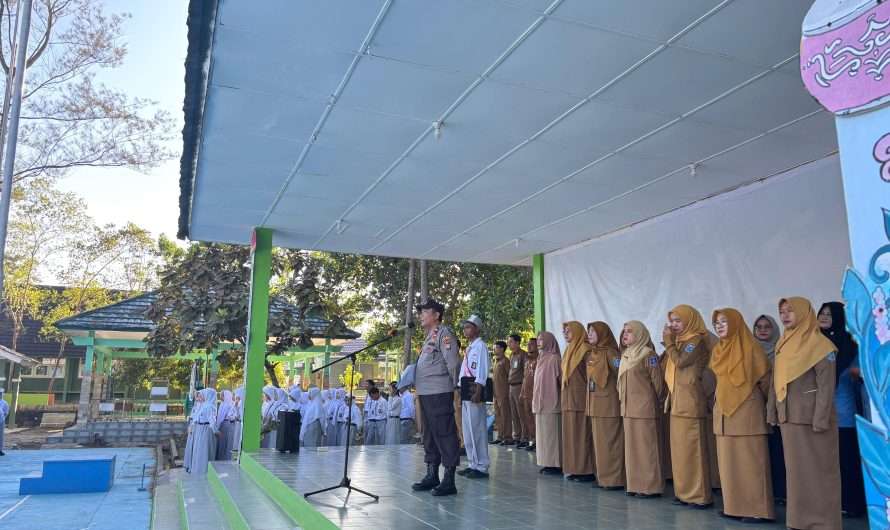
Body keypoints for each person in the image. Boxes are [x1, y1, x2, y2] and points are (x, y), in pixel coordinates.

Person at [767, 297, 842, 530]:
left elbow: (827, 386)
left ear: (804, 312)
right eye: (782, 311)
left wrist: (820, 419)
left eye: (791, 310)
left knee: (819, 471)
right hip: (789, 417)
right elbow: (775, 379)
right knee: (797, 473)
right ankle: (799, 520)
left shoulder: (821, 346)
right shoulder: (784, 343)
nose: (785, 315)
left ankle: (823, 522)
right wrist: (772, 411)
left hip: (812, 419)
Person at [710, 309, 775, 523]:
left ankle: (758, 509)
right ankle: (734, 507)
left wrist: (766, 410)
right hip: (724, 415)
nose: (719, 325)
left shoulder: (752, 349)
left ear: (736, 323)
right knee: (729, 464)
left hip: (747, 413)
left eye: (724, 321)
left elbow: (767, 384)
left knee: (751, 464)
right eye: (717, 322)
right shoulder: (719, 350)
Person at [818, 301, 867, 518]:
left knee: (846, 462)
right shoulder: (813, 343)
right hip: (818, 414)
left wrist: (859, 372)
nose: (825, 316)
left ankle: (851, 504)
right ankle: (827, 503)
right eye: (822, 313)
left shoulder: (851, 346)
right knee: (823, 462)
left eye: (830, 314)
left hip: (843, 414)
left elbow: (862, 374)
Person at [663, 305, 713, 509]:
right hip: (677, 400)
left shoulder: (696, 340)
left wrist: (667, 342)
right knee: (680, 451)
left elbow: (681, 361)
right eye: (672, 321)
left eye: (678, 321)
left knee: (695, 450)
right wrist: (671, 342)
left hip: (691, 401)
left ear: (689, 320)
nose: (674, 325)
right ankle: (684, 493)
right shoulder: (680, 341)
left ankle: (700, 496)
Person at [410, 298, 461, 497]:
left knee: (445, 433)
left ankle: (449, 479)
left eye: (425, 311)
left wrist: (455, 389)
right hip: (425, 394)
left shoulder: (444, 335)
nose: (421, 315)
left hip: (439, 393)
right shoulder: (428, 338)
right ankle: (432, 474)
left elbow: (453, 365)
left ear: (436, 315)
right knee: (429, 435)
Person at [619, 321, 666, 498]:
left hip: (644, 409)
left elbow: (658, 384)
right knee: (633, 449)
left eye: (630, 332)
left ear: (639, 334)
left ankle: (650, 487)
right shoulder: (626, 354)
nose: (625, 335)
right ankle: (635, 485)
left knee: (647, 449)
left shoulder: (648, 354)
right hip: (628, 407)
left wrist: (655, 402)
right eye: (624, 331)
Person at [586, 321, 625, 491]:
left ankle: (613, 480)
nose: (589, 334)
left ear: (602, 333)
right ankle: (603, 477)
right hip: (595, 404)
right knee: (600, 445)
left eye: (593, 331)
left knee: (610, 444)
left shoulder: (611, 353)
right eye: (588, 331)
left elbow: (621, 375)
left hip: (608, 405)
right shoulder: (593, 353)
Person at [753, 314, 786, 506]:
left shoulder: (781, 351)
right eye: (759, 327)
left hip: (778, 409)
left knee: (778, 451)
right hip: (756, 411)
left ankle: (781, 492)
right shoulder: (749, 352)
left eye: (767, 327)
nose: (763, 330)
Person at [561, 321, 595, 482]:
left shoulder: (586, 350)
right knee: (571, 436)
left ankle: (586, 470)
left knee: (582, 435)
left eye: (569, 330)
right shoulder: (568, 350)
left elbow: (591, 376)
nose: (566, 333)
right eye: (564, 331)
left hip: (580, 399)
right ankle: (574, 468)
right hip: (568, 399)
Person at [457, 314, 490, 479]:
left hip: (475, 391)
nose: (466, 329)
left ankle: (482, 466)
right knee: (468, 429)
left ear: (477, 328)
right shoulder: (469, 348)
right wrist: (459, 392)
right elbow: (463, 372)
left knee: (477, 429)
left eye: (469, 326)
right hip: (466, 391)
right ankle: (472, 463)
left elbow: (482, 371)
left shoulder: (481, 347)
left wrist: (478, 391)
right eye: (465, 327)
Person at [533, 331, 563, 475]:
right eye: (537, 339)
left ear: (549, 341)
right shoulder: (541, 358)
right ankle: (546, 462)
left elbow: (562, 381)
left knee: (552, 436)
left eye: (541, 340)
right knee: (543, 436)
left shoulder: (554, 358)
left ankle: (555, 464)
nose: (538, 342)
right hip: (540, 403)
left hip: (552, 402)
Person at [506, 334, 529, 447]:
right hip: (511, 386)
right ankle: (517, 436)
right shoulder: (511, 355)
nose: (508, 344)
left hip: (519, 386)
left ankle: (525, 438)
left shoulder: (523, 354)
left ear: (517, 342)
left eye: (510, 342)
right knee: (514, 413)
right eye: (508, 341)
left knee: (521, 413)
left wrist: (524, 389)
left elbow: (526, 373)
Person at [491, 340, 514, 445]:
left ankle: (508, 437)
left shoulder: (506, 361)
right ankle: (500, 436)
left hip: (503, 393)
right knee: (498, 416)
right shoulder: (495, 361)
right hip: (495, 393)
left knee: (506, 416)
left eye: (496, 347)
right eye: (494, 347)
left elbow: (510, 377)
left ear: (502, 349)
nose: (494, 349)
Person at [190, 388, 217, 474]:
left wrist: (216, 431)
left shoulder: (209, 407)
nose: (201, 398)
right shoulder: (204, 406)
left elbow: (212, 421)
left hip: (205, 429)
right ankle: (198, 468)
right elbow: (196, 417)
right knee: (199, 449)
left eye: (203, 396)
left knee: (203, 449)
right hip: (200, 429)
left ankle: (203, 469)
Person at [521, 337, 538, 452]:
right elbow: (525, 378)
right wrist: (521, 392)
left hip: (535, 394)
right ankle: (533, 441)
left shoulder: (540, 359)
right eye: (528, 344)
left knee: (536, 420)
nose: (529, 346)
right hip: (526, 394)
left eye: (531, 344)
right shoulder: (528, 360)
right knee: (529, 421)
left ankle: (539, 442)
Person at [183, 388, 203, 471]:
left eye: (199, 396)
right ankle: (189, 464)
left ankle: (192, 466)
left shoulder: (202, 406)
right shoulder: (196, 405)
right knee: (190, 446)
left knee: (194, 446)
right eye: (197, 397)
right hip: (192, 426)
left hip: (196, 427)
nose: (197, 398)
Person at [215, 390, 237, 461]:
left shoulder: (230, 405)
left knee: (224, 443)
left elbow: (231, 416)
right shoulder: (222, 404)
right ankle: (219, 458)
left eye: (222, 395)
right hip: (221, 425)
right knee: (220, 443)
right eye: (221, 395)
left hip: (226, 425)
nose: (221, 396)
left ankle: (224, 459)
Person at [232, 387, 245, 455]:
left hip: (242, 424)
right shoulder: (239, 403)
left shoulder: (245, 403)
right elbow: (236, 414)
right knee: (236, 441)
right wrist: (236, 405)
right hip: (239, 424)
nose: (237, 397)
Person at [0, 388, 9, 455]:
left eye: (0, 394)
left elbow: (6, 412)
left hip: (1, 421)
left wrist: (2, 418)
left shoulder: (4, 403)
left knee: (0, 435)